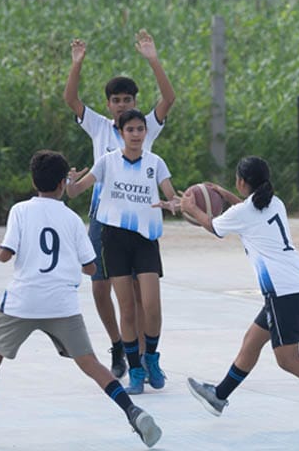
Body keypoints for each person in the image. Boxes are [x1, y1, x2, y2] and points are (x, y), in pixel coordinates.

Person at [0, 150, 162, 449]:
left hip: (22, 302)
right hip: (62, 304)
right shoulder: (72, 219)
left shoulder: (20, 210)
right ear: (64, 184)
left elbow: (5, 254)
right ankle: (133, 412)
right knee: (90, 363)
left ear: (33, 180)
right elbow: (90, 267)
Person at [180, 155, 299, 434]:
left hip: (283, 292)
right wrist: (222, 194)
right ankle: (219, 395)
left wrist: (191, 208)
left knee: (288, 359)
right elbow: (244, 209)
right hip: (294, 287)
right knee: (252, 342)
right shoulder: (273, 202)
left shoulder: (243, 213)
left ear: (242, 181)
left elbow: (212, 225)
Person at [62, 29, 175, 380]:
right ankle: (118, 345)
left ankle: (143, 356)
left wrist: (153, 59)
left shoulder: (144, 129)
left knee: (143, 295)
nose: (123, 105)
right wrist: (77, 64)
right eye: (117, 100)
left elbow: (168, 98)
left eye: (128, 99)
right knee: (101, 286)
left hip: (140, 219)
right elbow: (70, 99)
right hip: (104, 217)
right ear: (109, 104)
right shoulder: (98, 127)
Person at [67, 110, 179, 395]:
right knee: (127, 308)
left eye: (140, 129)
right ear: (120, 132)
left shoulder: (156, 163)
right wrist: (69, 181)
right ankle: (136, 371)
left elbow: (171, 195)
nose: (136, 134)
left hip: (145, 239)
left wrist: (177, 203)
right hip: (114, 239)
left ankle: (151, 358)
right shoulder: (107, 162)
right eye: (130, 129)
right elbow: (76, 191)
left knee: (152, 305)